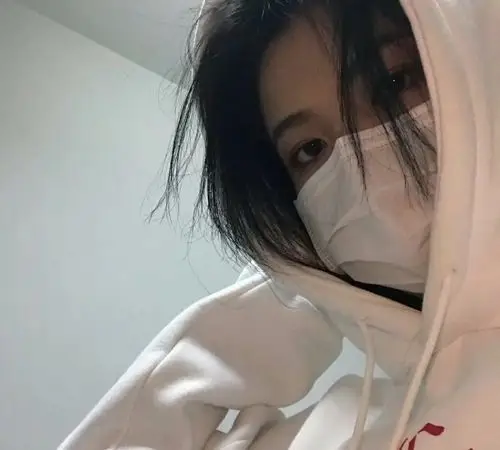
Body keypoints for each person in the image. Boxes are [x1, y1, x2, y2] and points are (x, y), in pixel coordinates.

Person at [60, 0, 500, 449]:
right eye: (310, 149)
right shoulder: (340, 429)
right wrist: (307, 285)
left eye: (395, 81)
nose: (371, 166)